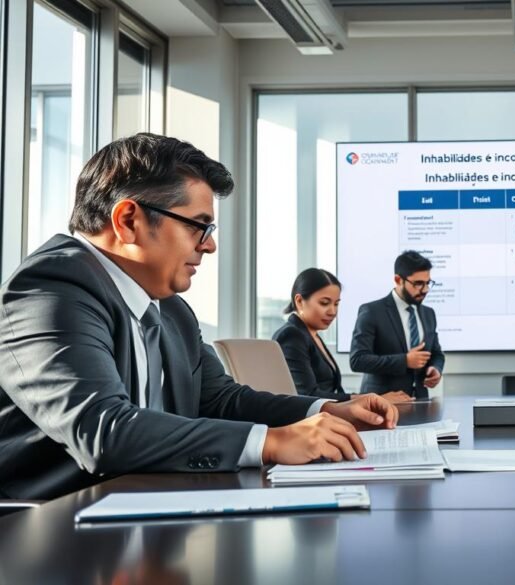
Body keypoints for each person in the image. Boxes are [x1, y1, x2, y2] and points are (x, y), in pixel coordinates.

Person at [0, 133, 397, 501]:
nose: (210, 246)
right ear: (128, 221)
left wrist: (323, 411)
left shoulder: (169, 307)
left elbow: (221, 399)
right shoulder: (49, 289)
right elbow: (104, 430)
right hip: (52, 531)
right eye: (198, 226)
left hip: (147, 509)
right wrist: (271, 442)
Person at [273, 268, 410, 403]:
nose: (332, 311)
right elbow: (308, 395)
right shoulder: (292, 335)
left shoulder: (311, 334)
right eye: (324, 303)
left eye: (336, 304)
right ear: (299, 301)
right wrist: (369, 398)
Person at [349, 251, 445, 399]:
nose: (425, 290)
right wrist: (405, 361)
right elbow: (357, 360)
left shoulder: (428, 313)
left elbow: (436, 353)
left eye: (427, 283)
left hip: (420, 401)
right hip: (380, 402)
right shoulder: (372, 311)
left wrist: (435, 368)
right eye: (418, 283)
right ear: (398, 279)